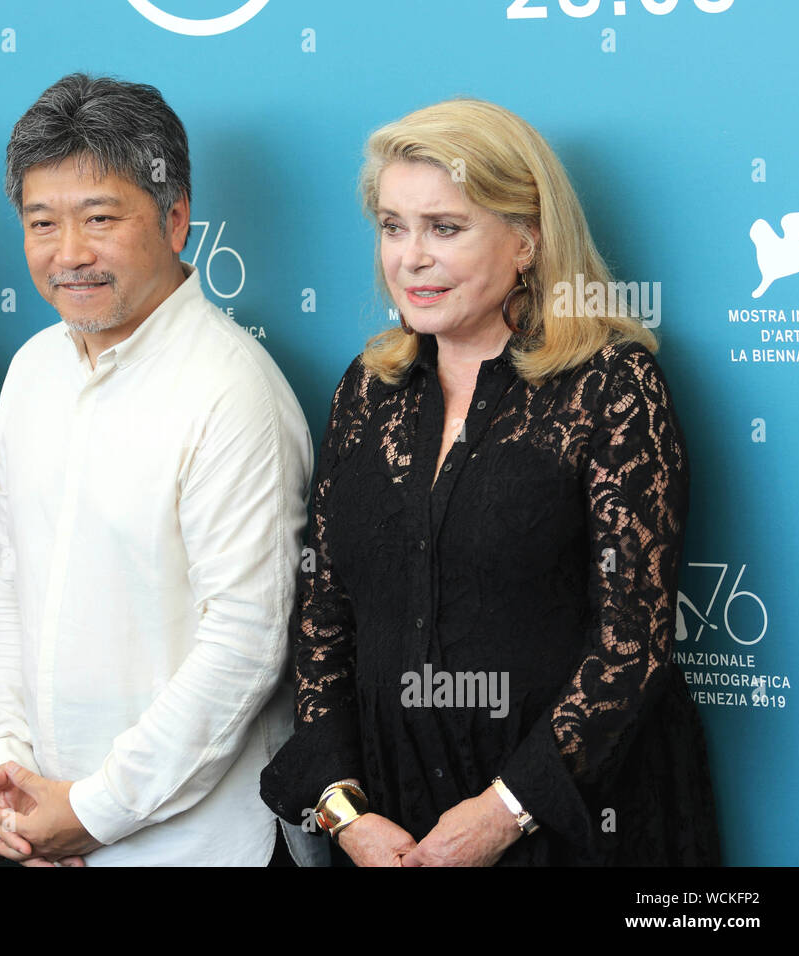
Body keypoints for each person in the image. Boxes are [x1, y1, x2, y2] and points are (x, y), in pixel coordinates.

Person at [260, 98, 722, 866]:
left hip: (569, 821)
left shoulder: (610, 385)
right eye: (392, 226)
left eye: (445, 227)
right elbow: (323, 620)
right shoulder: (368, 388)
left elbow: (630, 646)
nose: (410, 256)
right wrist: (347, 813)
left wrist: (506, 812)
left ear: (527, 240)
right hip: (390, 823)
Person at [0, 73, 314, 866]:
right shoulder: (31, 372)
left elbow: (244, 647)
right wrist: (9, 770)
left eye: (100, 218)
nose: (70, 254)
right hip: (44, 835)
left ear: (174, 219)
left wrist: (94, 810)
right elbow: (10, 587)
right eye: (42, 222)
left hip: (203, 846)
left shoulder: (233, 392)